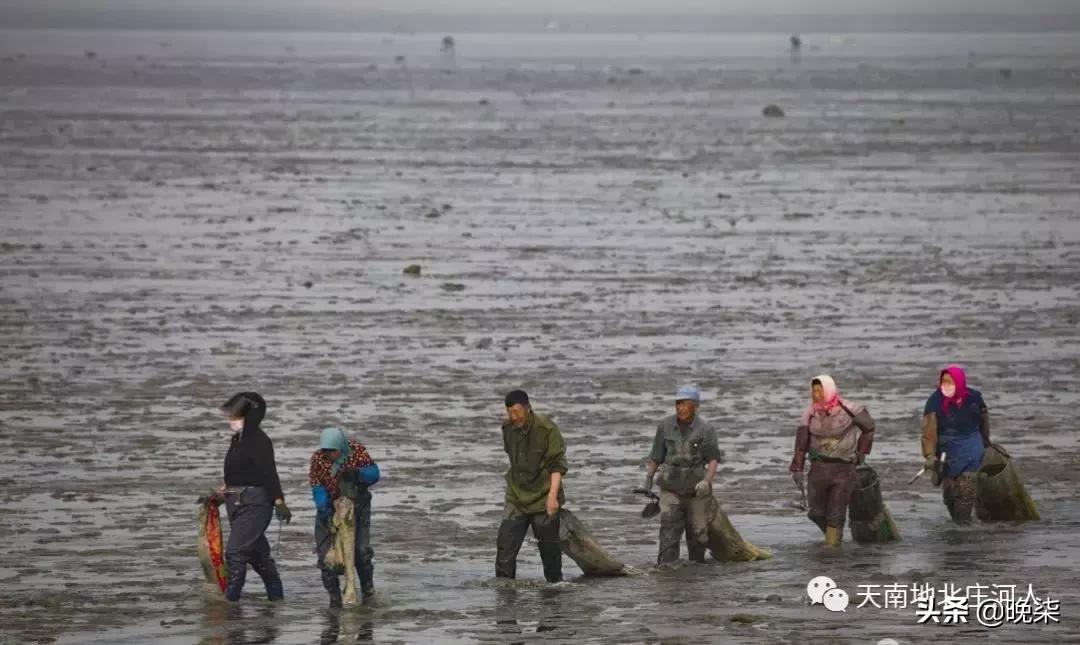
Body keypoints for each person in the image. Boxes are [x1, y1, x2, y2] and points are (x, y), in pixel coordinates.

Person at [216, 392, 291, 601]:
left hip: (255, 504)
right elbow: (239, 471)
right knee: (258, 557)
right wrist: (225, 490)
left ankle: (230, 605)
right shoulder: (237, 440)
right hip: (236, 503)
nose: (231, 421)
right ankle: (276, 598)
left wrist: (279, 501)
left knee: (235, 552)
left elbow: (268, 473)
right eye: (230, 416)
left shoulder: (259, 441)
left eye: (235, 416)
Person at [788, 375, 875, 546]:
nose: (817, 394)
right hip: (818, 470)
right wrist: (797, 469)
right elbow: (801, 445)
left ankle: (832, 551)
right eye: (814, 391)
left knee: (835, 514)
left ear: (829, 389)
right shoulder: (809, 415)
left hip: (843, 470)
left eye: (820, 390)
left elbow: (869, 428)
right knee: (816, 513)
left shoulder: (850, 409)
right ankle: (835, 539)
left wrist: (861, 452)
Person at [642, 385, 722, 564]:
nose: (681, 408)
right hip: (671, 489)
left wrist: (706, 482)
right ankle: (668, 572)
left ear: (695, 406)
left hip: (697, 492)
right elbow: (656, 456)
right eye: (678, 403)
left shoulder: (705, 429)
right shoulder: (665, 426)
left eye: (685, 404)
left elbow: (713, 459)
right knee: (668, 533)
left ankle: (696, 572)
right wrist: (647, 481)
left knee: (698, 535)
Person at [495, 390, 567, 583]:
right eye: (509, 412)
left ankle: (554, 594)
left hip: (544, 496)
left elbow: (557, 465)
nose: (514, 417)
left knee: (550, 554)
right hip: (517, 496)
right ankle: (504, 596)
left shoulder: (547, 429)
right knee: (505, 548)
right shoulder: (507, 428)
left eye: (517, 411)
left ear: (528, 408)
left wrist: (552, 497)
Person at [310, 427, 381, 607]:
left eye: (333, 450)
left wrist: (358, 474)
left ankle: (367, 591)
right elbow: (317, 487)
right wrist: (326, 512)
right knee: (327, 558)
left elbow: (375, 474)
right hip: (330, 510)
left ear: (341, 447)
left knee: (360, 551)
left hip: (356, 508)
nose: (329, 455)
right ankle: (334, 599)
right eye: (326, 451)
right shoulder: (318, 459)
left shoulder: (356, 451)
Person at [920, 365, 989, 523]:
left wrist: (986, 441)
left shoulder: (974, 397)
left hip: (971, 447)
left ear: (959, 382)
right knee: (950, 494)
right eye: (943, 382)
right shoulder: (934, 402)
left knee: (965, 490)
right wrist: (930, 455)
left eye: (950, 382)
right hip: (947, 451)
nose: (946, 386)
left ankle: (963, 528)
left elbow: (984, 420)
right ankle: (958, 525)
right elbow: (928, 432)